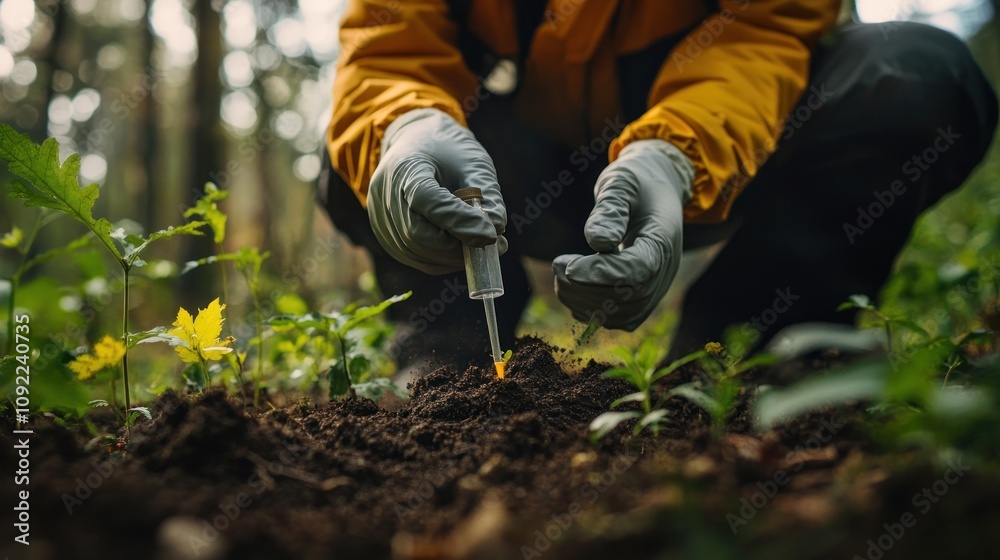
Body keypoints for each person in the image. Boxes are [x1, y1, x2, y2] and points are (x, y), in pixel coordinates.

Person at [318, 0, 998, 377]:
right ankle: (452, 354)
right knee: (367, 144)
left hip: (695, 168)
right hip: (502, 180)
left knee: (915, 77)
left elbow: (766, 30)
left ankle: (745, 352)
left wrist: (674, 155)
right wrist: (403, 128)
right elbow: (387, 42)